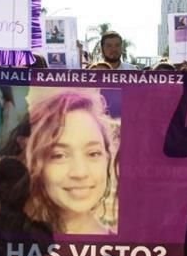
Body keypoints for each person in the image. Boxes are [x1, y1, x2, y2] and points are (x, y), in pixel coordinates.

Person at [8, 89, 117, 235]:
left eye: (93, 153)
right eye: (59, 155)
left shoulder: (124, 252)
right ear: (32, 163)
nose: (80, 173)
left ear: (107, 158)